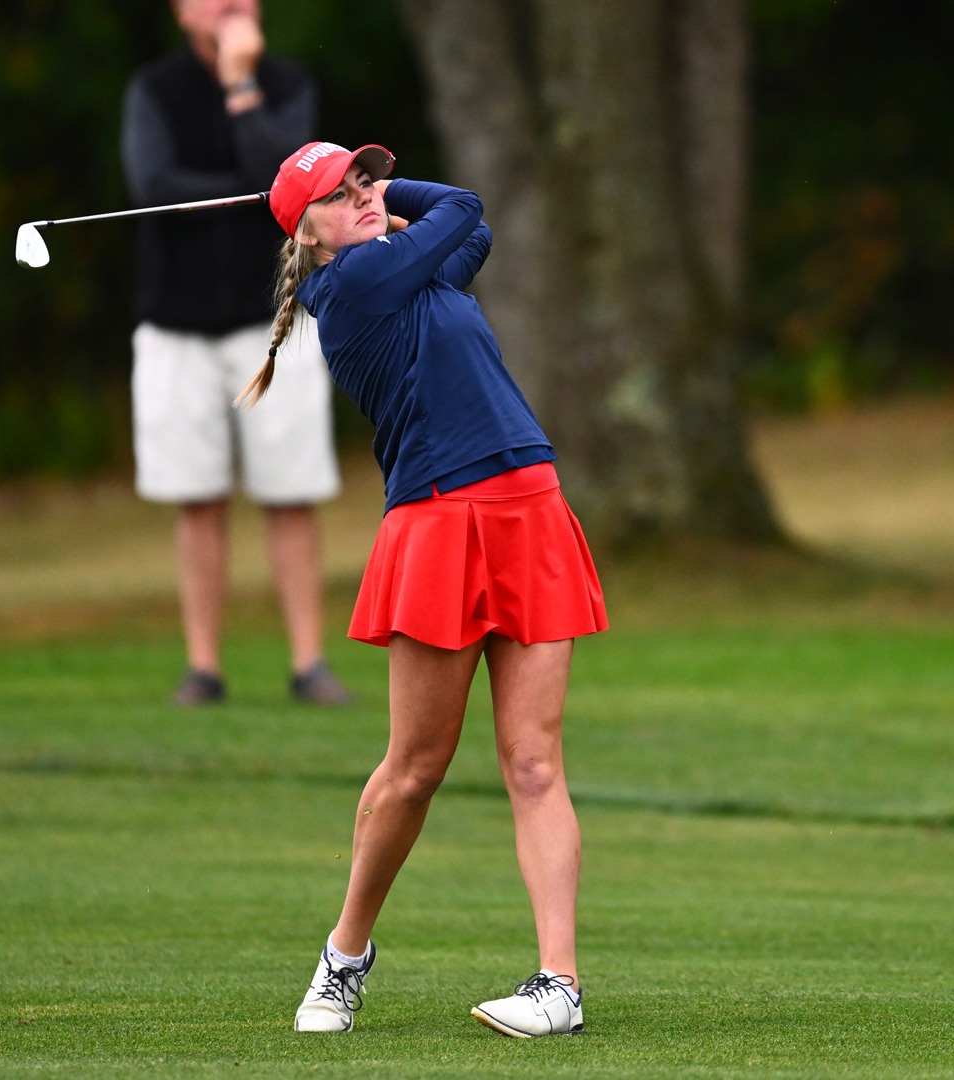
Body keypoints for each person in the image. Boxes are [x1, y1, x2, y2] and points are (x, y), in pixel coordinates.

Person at [244, 141, 608, 1037]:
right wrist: (382, 202)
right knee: (415, 770)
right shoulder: (351, 289)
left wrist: (365, 188)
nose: (365, 198)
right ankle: (344, 957)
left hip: (528, 503)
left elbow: (465, 223)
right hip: (439, 525)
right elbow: (464, 205)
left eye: (367, 182)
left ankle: (559, 985)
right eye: (342, 194)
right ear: (308, 233)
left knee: (534, 761)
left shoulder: (414, 275)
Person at [122, 0, 351, 706]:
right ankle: (204, 668)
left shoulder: (285, 84)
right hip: (176, 326)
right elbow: (155, 190)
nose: (231, 4)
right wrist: (257, 196)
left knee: (290, 496)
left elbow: (294, 188)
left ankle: (309, 664)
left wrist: (240, 86)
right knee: (197, 498)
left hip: (273, 323)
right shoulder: (154, 90)